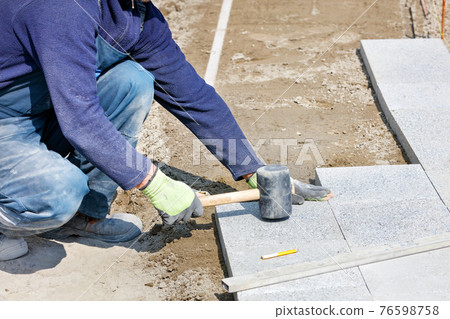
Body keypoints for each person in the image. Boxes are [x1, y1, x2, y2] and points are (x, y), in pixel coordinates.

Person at [0, 0, 331, 261]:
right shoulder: (60, 8)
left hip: (46, 109)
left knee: (134, 81)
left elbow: (192, 97)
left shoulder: (135, 14)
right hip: (8, 117)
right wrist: (153, 182)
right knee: (56, 193)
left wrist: (252, 168)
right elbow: (80, 119)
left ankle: (83, 216)